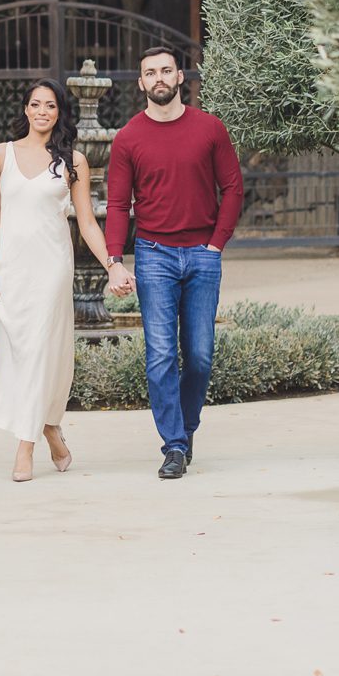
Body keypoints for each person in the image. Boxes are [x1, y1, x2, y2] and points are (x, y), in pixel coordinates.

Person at [103, 46, 244, 480]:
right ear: (141, 83)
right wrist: (115, 260)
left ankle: (186, 428)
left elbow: (233, 188)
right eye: (151, 73)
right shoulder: (129, 137)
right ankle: (176, 445)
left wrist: (216, 245)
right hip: (153, 256)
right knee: (161, 355)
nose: (159, 78)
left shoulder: (210, 129)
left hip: (203, 254)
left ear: (181, 76)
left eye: (166, 70)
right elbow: (117, 203)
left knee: (199, 357)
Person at [0, 79, 120, 482]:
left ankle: (25, 448)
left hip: (51, 268)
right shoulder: (0, 155)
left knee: (41, 349)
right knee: (20, 353)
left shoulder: (73, 161)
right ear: (25, 109)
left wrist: (112, 264)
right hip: (11, 269)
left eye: (51, 106)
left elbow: (89, 222)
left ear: (60, 113)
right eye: (36, 104)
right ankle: (50, 430)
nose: (42, 111)